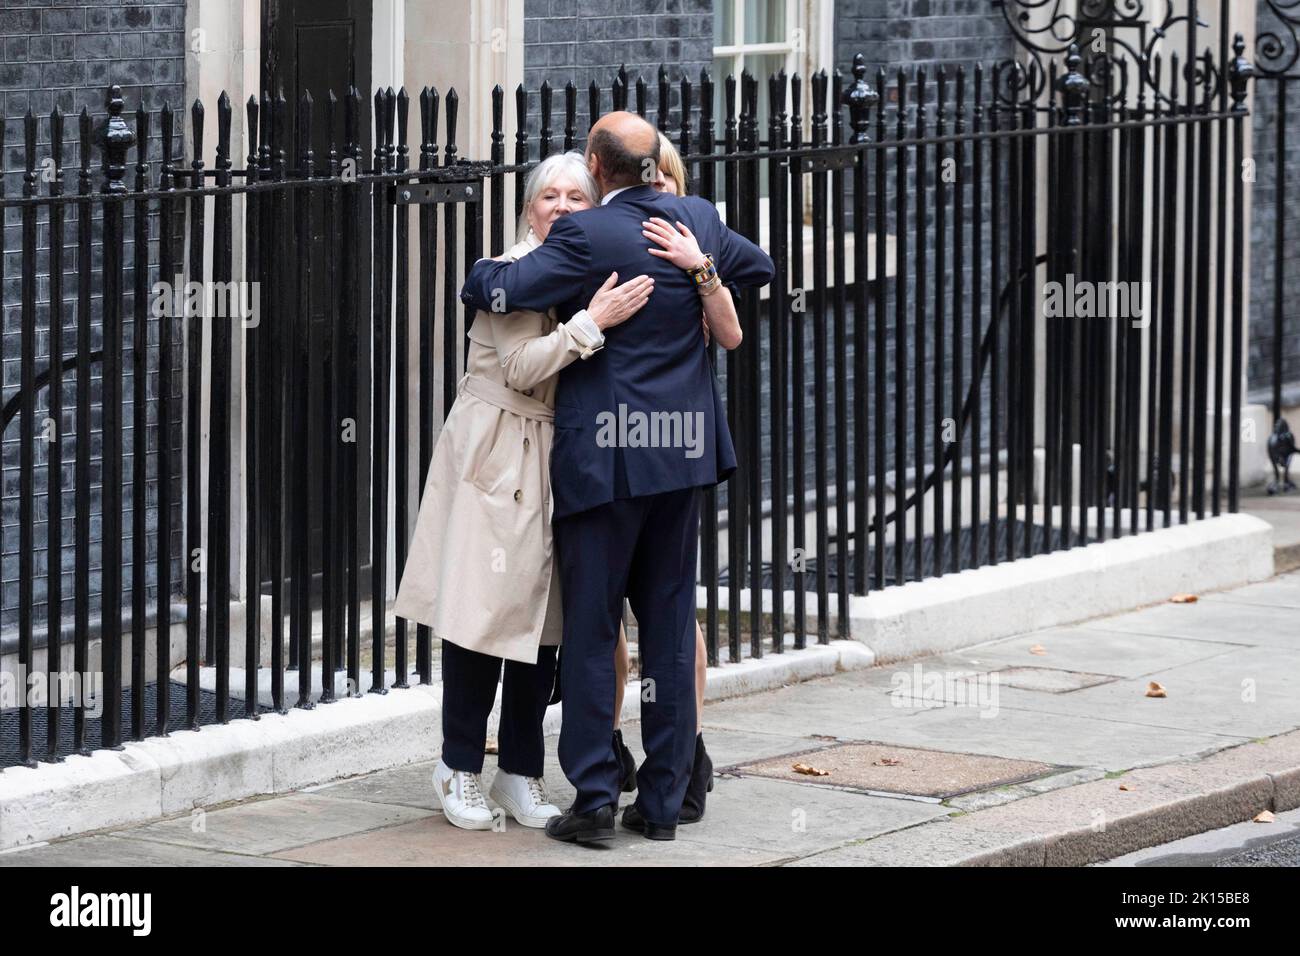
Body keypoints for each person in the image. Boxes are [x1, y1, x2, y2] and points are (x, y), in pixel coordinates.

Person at [460, 111, 774, 844]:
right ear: (653, 165)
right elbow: (759, 268)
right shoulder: (693, 217)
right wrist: (698, 265)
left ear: (597, 170)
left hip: (603, 461)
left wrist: (481, 271)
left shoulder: (587, 235)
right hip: (682, 456)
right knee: (667, 626)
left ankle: (596, 799)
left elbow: (498, 292)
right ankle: (663, 803)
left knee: (595, 627)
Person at [392, 151, 652, 831]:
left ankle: (520, 771)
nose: (561, 207)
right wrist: (591, 323)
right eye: (548, 197)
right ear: (528, 209)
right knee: (482, 618)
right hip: (499, 451)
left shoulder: (591, 270)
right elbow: (519, 368)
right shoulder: (515, 273)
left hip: (558, 458)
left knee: (545, 625)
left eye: (576, 196)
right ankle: (457, 768)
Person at [609, 131, 741, 825]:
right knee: (607, 619)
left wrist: (700, 265)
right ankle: (613, 748)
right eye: (645, 183)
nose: (654, 194)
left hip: (676, 447)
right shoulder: (605, 236)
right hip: (608, 445)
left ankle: (685, 753)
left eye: (666, 183)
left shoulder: (700, 233)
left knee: (671, 615)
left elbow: (733, 332)